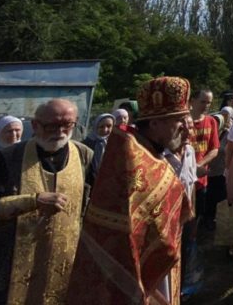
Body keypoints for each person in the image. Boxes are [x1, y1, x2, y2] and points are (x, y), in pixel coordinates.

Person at [67, 77, 194, 304]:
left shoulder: (152, 152)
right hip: (133, 280)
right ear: (154, 123)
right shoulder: (129, 155)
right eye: (178, 120)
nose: (186, 128)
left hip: (160, 271)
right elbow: (125, 239)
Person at [0, 100, 93, 304]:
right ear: (35, 125)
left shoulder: (84, 156)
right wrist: (32, 201)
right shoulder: (9, 157)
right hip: (12, 262)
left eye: (68, 125)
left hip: (67, 263)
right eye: (52, 126)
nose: (60, 132)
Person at [164, 115, 201, 298]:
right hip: (165, 218)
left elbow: (191, 183)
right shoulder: (161, 154)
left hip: (184, 216)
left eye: (191, 127)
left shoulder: (190, 151)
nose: (187, 132)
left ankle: (177, 293)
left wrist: (192, 213)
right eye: (182, 128)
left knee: (183, 254)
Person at [189, 88, 220, 230]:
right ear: (192, 101)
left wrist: (198, 165)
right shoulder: (184, 121)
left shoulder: (211, 121)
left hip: (200, 179)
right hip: (182, 179)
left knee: (197, 214)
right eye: (203, 102)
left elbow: (214, 149)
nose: (206, 105)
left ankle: (193, 242)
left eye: (209, 103)